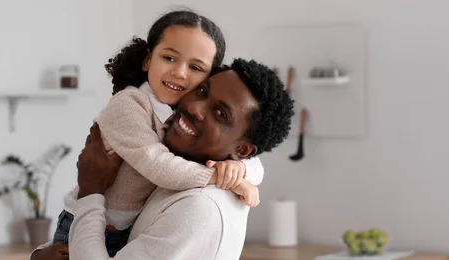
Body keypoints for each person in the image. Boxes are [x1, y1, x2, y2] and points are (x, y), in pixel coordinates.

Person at [32, 58, 295, 260]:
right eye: (202, 90)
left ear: (244, 150)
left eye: (220, 114)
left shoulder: (198, 206)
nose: (193, 107)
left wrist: (91, 189)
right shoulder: (177, 169)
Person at [52, 10, 264, 257]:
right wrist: (220, 177)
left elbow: (252, 160)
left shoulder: (181, 116)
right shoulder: (129, 105)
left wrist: (242, 170)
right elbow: (159, 165)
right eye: (169, 58)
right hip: (85, 222)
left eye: (195, 67)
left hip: (123, 227)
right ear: (147, 60)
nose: (180, 73)